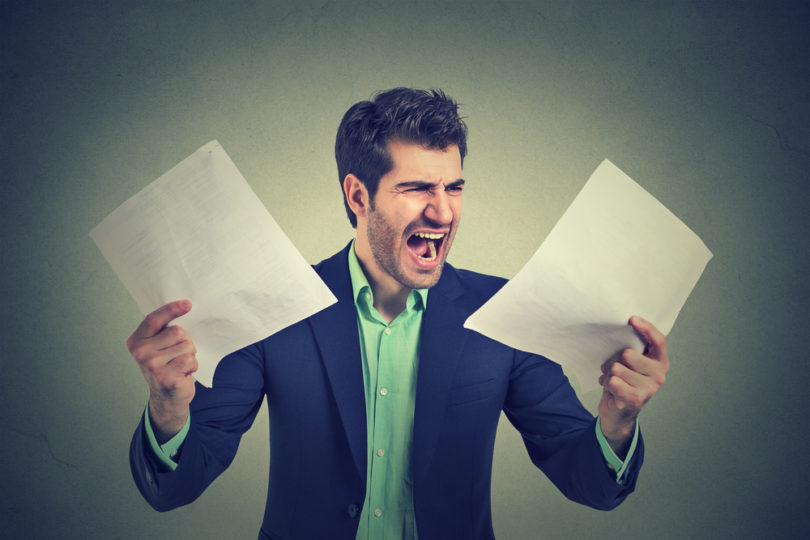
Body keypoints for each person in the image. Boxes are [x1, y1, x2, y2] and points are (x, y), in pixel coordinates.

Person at [127, 88, 669, 539]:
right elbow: (178, 484)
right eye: (416, 188)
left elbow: (591, 484)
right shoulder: (278, 309)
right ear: (358, 195)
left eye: (454, 187)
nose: (443, 211)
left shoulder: (501, 313)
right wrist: (169, 404)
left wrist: (618, 421)